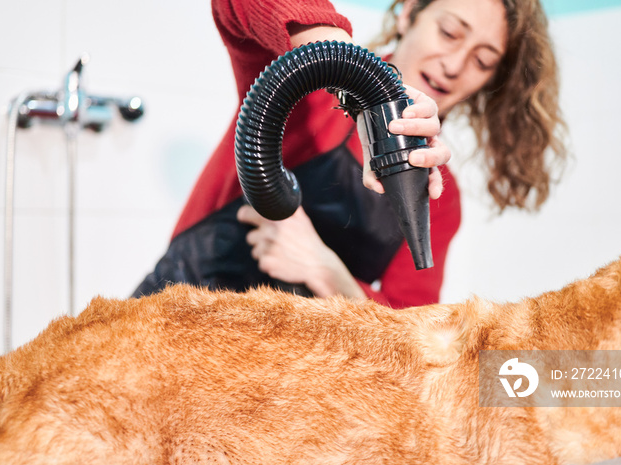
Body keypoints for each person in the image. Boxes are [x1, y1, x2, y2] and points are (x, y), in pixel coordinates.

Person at [133, 0, 566, 308]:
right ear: (409, 12)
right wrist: (362, 84)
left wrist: (324, 269)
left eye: (483, 61)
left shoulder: (439, 197)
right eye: (450, 32)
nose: (455, 64)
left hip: (277, 371)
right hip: (175, 313)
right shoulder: (307, 87)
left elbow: (412, 330)